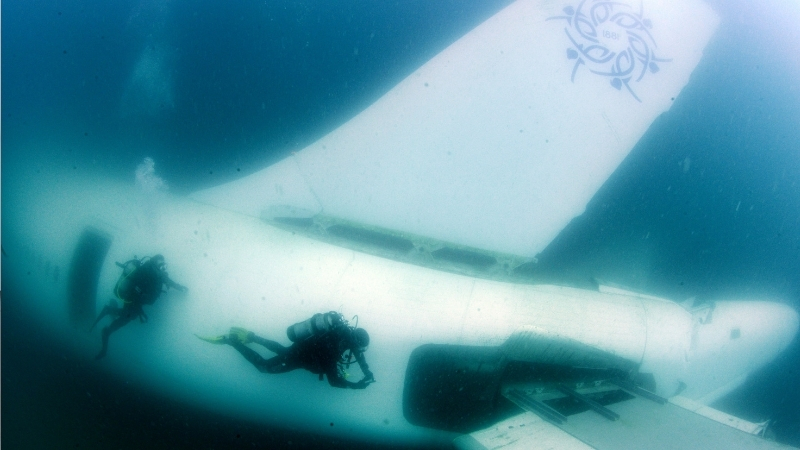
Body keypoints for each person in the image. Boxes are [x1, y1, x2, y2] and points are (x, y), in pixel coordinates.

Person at [201, 312, 375, 389]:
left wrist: (367, 371)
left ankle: (253, 337)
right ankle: (232, 342)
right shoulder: (333, 348)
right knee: (264, 367)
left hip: (302, 349)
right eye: (358, 348)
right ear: (355, 341)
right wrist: (356, 386)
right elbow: (334, 381)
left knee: (283, 351)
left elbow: (359, 355)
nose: (357, 352)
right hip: (299, 357)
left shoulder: (343, 335)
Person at [91, 254, 187, 359]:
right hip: (133, 299)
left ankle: (108, 323)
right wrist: (138, 304)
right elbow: (135, 286)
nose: (162, 266)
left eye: (163, 264)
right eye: (160, 263)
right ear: (154, 261)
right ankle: (108, 320)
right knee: (126, 318)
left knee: (125, 318)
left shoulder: (158, 273)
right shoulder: (146, 269)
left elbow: (167, 280)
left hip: (138, 302)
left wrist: (179, 287)